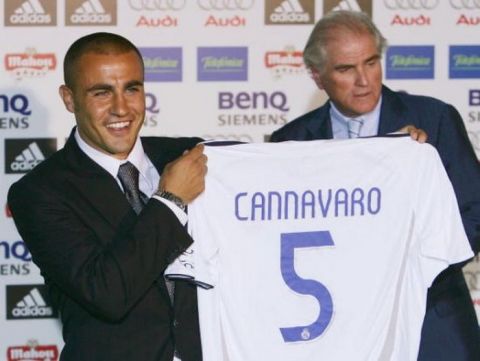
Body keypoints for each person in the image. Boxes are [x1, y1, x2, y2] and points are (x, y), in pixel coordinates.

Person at [270, 10, 480, 361]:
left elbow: (474, 215)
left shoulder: (434, 120)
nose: (364, 80)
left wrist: (412, 264)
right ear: (317, 76)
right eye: (346, 69)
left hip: (432, 324)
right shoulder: (290, 142)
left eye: (371, 62)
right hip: (334, 331)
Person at [8, 32, 206, 361]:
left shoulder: (188, 155)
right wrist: (171, 200)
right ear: (69, 99)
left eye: (132, 88)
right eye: (101, 92)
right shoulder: (39, 192)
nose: (121, 108)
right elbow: (107, 294)